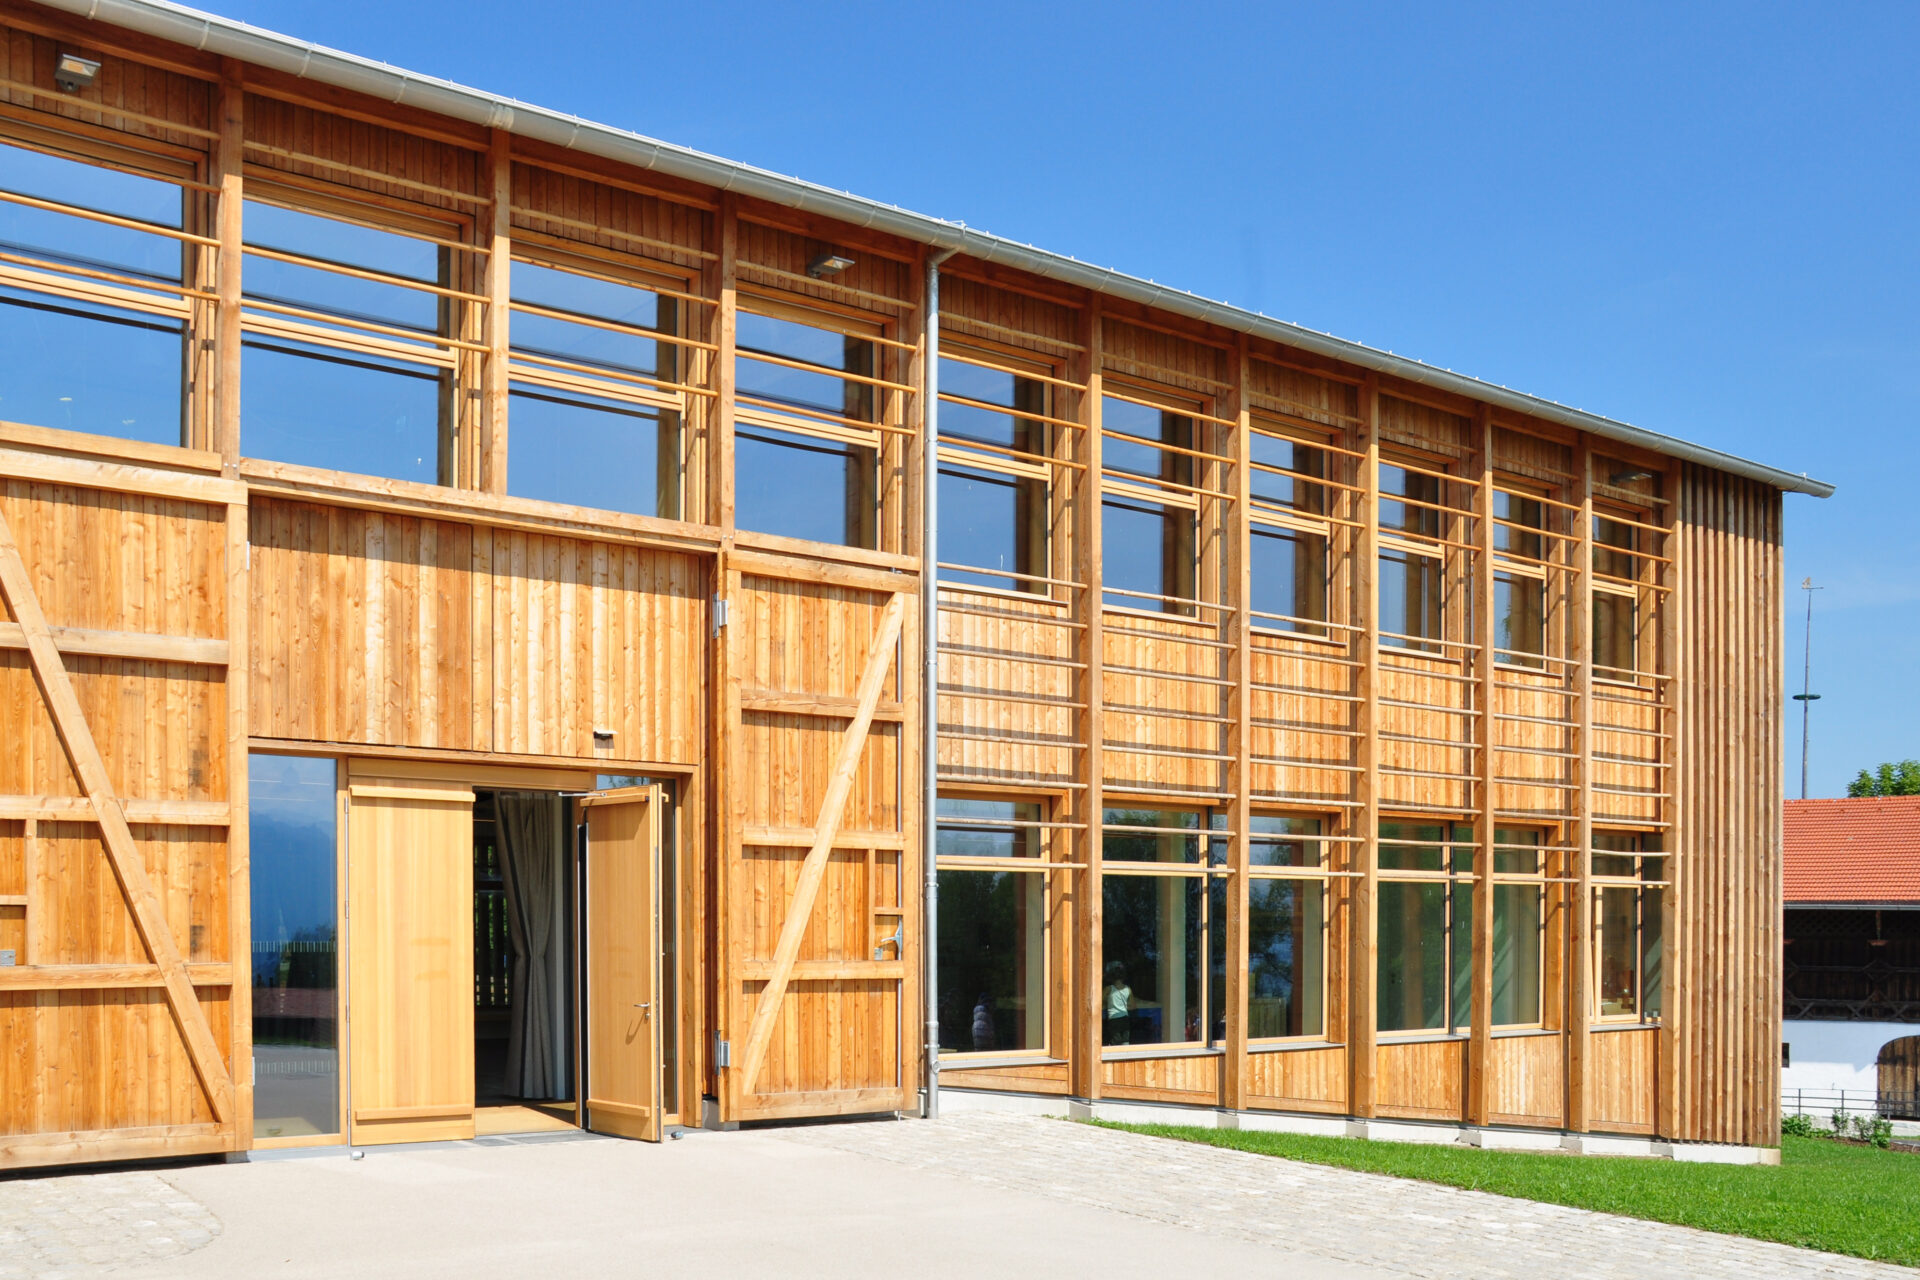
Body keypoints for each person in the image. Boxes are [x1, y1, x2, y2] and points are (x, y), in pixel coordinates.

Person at [1103, 962, 1132, 1045]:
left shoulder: (1108, 989)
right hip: (1125, 1018)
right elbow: (1132, 1006)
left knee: (1114, 1042)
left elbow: (1099, 1001)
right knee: (1125, 1042)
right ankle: (1126, 1057)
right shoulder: (1128, 989)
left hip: (1114, 1019)